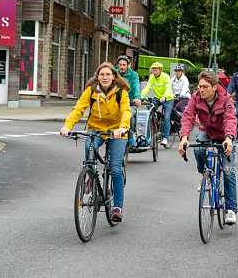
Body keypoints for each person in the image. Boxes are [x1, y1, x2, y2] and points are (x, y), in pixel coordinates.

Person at [60, 62, 131, 222]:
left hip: (117, 131)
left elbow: (126, 111)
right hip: (97, 129)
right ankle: (90, 177)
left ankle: (117, 207)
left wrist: (123, 128)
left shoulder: (121, 92)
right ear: (97, 77)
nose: (105, 77)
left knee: (116, 168)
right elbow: (79, 108)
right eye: (102, 74)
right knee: (88, 146)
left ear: (114, 76)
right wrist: (67, 126)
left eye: (108, 74)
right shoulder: (91, 91)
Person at [178, 71, 238, 225]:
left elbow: (231, 118)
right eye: (200, 87)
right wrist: (184, 138)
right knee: (198, 149)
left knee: (228, 170)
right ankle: (206, 174)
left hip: (225, 135)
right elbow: (188, 116)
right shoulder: (196, 97)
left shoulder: (226, 98)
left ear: (214, 87)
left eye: (205, 87)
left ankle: (230, 210)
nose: (202, 90)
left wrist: (229, 138)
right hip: (207, 132)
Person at [140, 62, 174, 146]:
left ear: (160, 70)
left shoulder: (165, 77)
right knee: (149, 109)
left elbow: (168, 89)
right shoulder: (152, 77)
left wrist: (165, 97)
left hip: (168, 98)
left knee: (166, 117)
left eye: (156, 70)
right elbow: (147, 87)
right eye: (153, 70)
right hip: (158, 98)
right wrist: (140, 96)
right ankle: (154, 125)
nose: (154, 72)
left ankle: (165, 138)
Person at [115, 55, 141, 147]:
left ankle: (131, 136)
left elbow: (136, 86)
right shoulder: (114, 74)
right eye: (120, 64)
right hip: (116, 103)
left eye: (124, 65)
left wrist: (137, 98)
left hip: (130, 102)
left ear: (128, 66)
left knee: (129, 116)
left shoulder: (134, 75)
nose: (121, 66)